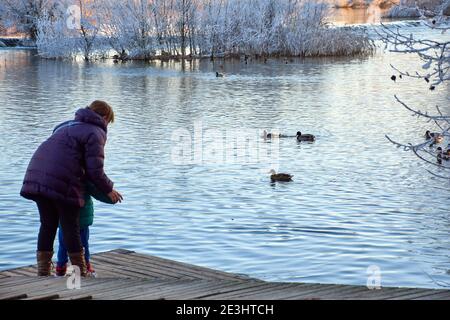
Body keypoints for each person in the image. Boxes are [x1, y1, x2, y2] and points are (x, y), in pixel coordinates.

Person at [20, 100, 123, 276]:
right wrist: (108, 189)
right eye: (108, 123)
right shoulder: (96, 132)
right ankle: (81, 272)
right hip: (62, 182)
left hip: (37, 175)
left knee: (48, 225)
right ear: (105, 118)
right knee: (70, 227)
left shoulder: (65, 125)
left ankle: (43, 272)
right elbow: (95, 171)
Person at [56, 182, 113, 277]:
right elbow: (96, 191)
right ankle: (85, 266)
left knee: (63, 244)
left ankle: (61, 267)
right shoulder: (83, 175)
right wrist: (111, 197)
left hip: (63, 216)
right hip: (81, 218)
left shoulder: (59, 173)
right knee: (83, 243)